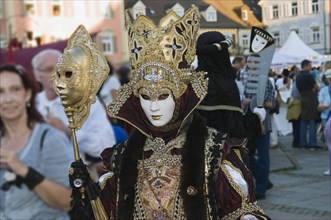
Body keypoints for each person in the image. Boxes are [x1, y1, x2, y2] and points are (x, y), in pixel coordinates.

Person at [66, 6, 270, 219]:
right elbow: (108, 211)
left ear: (181, 97)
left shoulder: (214, 152)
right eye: (146, 96)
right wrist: (86, 192)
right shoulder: (123, 156)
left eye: (163, 96)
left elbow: (239, 210)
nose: (154, 107)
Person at [0, 64, 72, 219]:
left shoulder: (49, 138)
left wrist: (23, 170)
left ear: (27, 94)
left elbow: (69, 200)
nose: (7, 99)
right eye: (0, 92)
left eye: (15, 89)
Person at [32, 49, 116, 178]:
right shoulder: (32, 104)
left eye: (61, 68)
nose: (56, 74)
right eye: (49, 69)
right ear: (36, 74)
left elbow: (106, 147)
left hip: (79, 179)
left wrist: (69, 132)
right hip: (37, 180)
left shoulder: (87, 102)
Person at [296, 59, 320, 150]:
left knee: (303, 120)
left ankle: (303, 143)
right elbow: (317, 87)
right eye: (310, 65)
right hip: (311, 99)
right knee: (312, 120)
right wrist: (314, 89)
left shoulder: (298, 76)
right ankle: (312, 143)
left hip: (302, 98)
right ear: (305, 66)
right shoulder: (308, 75)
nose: (311, 67)